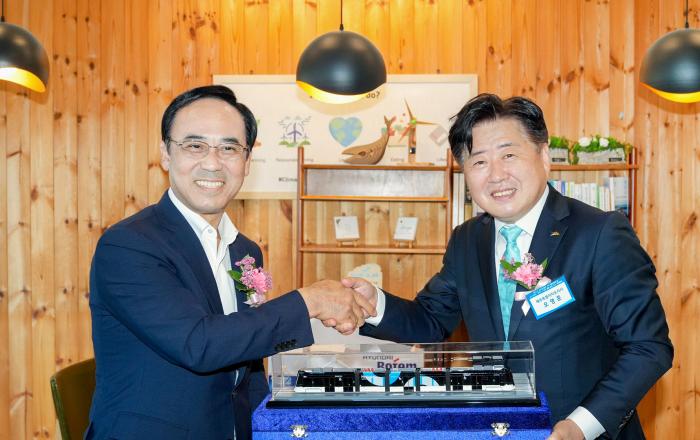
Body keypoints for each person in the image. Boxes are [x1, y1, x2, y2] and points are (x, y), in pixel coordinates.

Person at [344, 94, 673, 440]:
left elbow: (648, 347)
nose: (496, 175)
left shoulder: (599, 233)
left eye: (509, 155)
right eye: (479, 162)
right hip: (498, 430)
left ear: (544, 156)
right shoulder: (468, 239)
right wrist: (375, 304)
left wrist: (580, 426)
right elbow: (431, 320)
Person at [87, 85, 375, 440]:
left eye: (228, 148)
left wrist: (272, 426)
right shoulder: (129, 245)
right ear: (165, 154)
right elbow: (199, 344)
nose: (212, 163)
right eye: (194, 146)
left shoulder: (245, 250)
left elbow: (247, 359)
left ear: (247, 161)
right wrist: (310, 301)